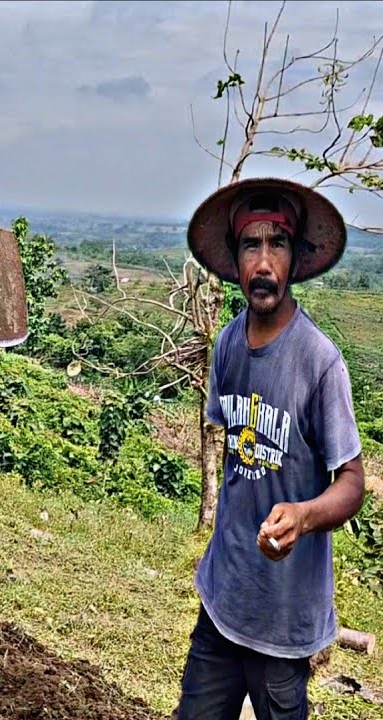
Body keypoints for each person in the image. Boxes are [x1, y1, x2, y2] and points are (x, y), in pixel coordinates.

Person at [176, 177, 365, 720]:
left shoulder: (319, 362)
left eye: (276, 244)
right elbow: (237, 456)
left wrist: (303, 517)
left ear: (295, 257)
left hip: (284, 620)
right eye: (249, 246)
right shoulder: (229, 343)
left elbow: (351, 482)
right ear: (234, 259)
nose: (263, 262)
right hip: (222, 598)